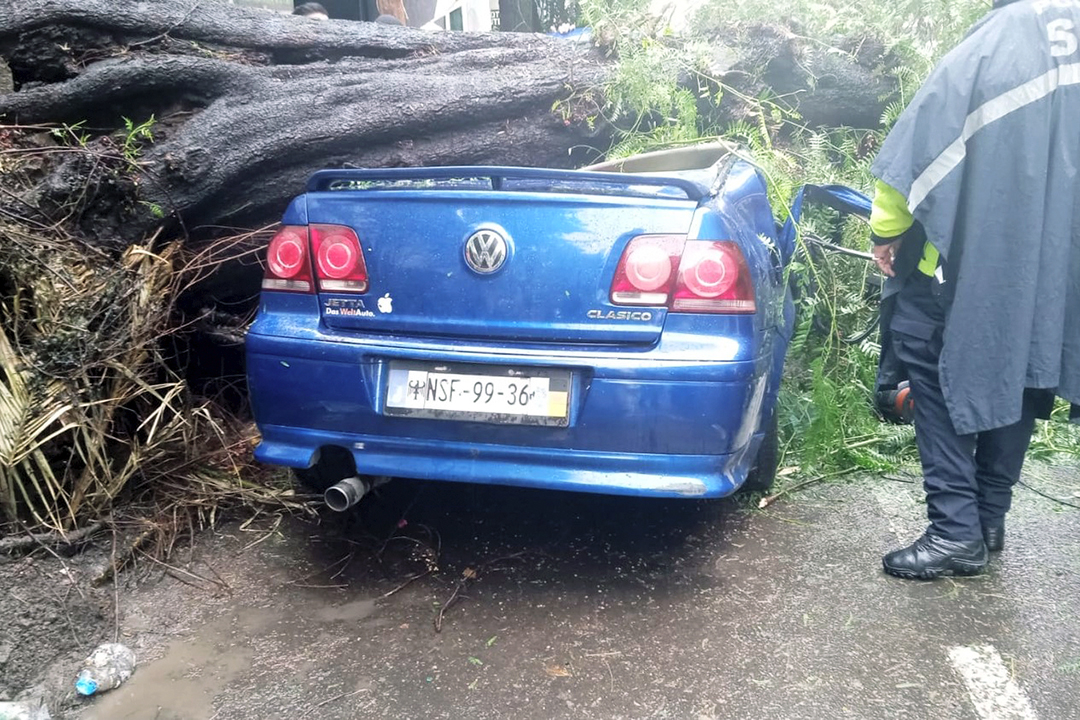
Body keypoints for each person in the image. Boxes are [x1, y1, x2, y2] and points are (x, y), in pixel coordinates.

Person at [869, 0, 1080, 580]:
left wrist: (886, 234)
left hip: (971, 262)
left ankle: (955, 532)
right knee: (1023, 368)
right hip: (1059, 268)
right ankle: (988, 518)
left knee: (930, 362)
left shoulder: (1003, 37)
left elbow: (921, 149)